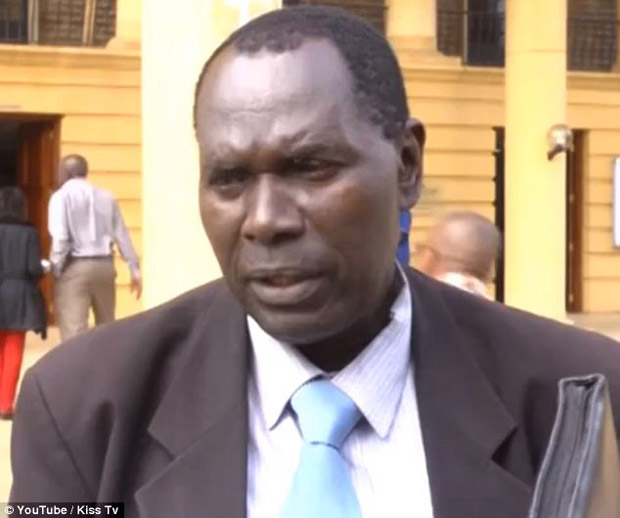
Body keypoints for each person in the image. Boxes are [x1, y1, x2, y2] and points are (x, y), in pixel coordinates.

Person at [9, 7, 620, 518]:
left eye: (310, 168)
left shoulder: (583, 400)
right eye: (229, 179)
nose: (264, 220)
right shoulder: (81, 409)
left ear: (407, 165)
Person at [48, 154, 142, 341]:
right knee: (106, 328)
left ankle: (78, 361)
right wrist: (134, 269)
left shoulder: (61, 197)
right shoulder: (106, 196)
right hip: (105, 266)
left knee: (74, 331)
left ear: (65, 172)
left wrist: (55, 267)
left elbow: (61, 238)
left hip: (74, 266)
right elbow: (121, 234)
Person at [0, 187, 46, 420]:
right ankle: (5, 403)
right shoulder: (29, 233)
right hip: (19, 293)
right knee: (13, 349)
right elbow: (34, 269)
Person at [416, 211, 500, 299]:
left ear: (431, 257)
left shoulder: (423, 300)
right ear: (489, 271)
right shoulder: (491, 305)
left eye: (423, 249)